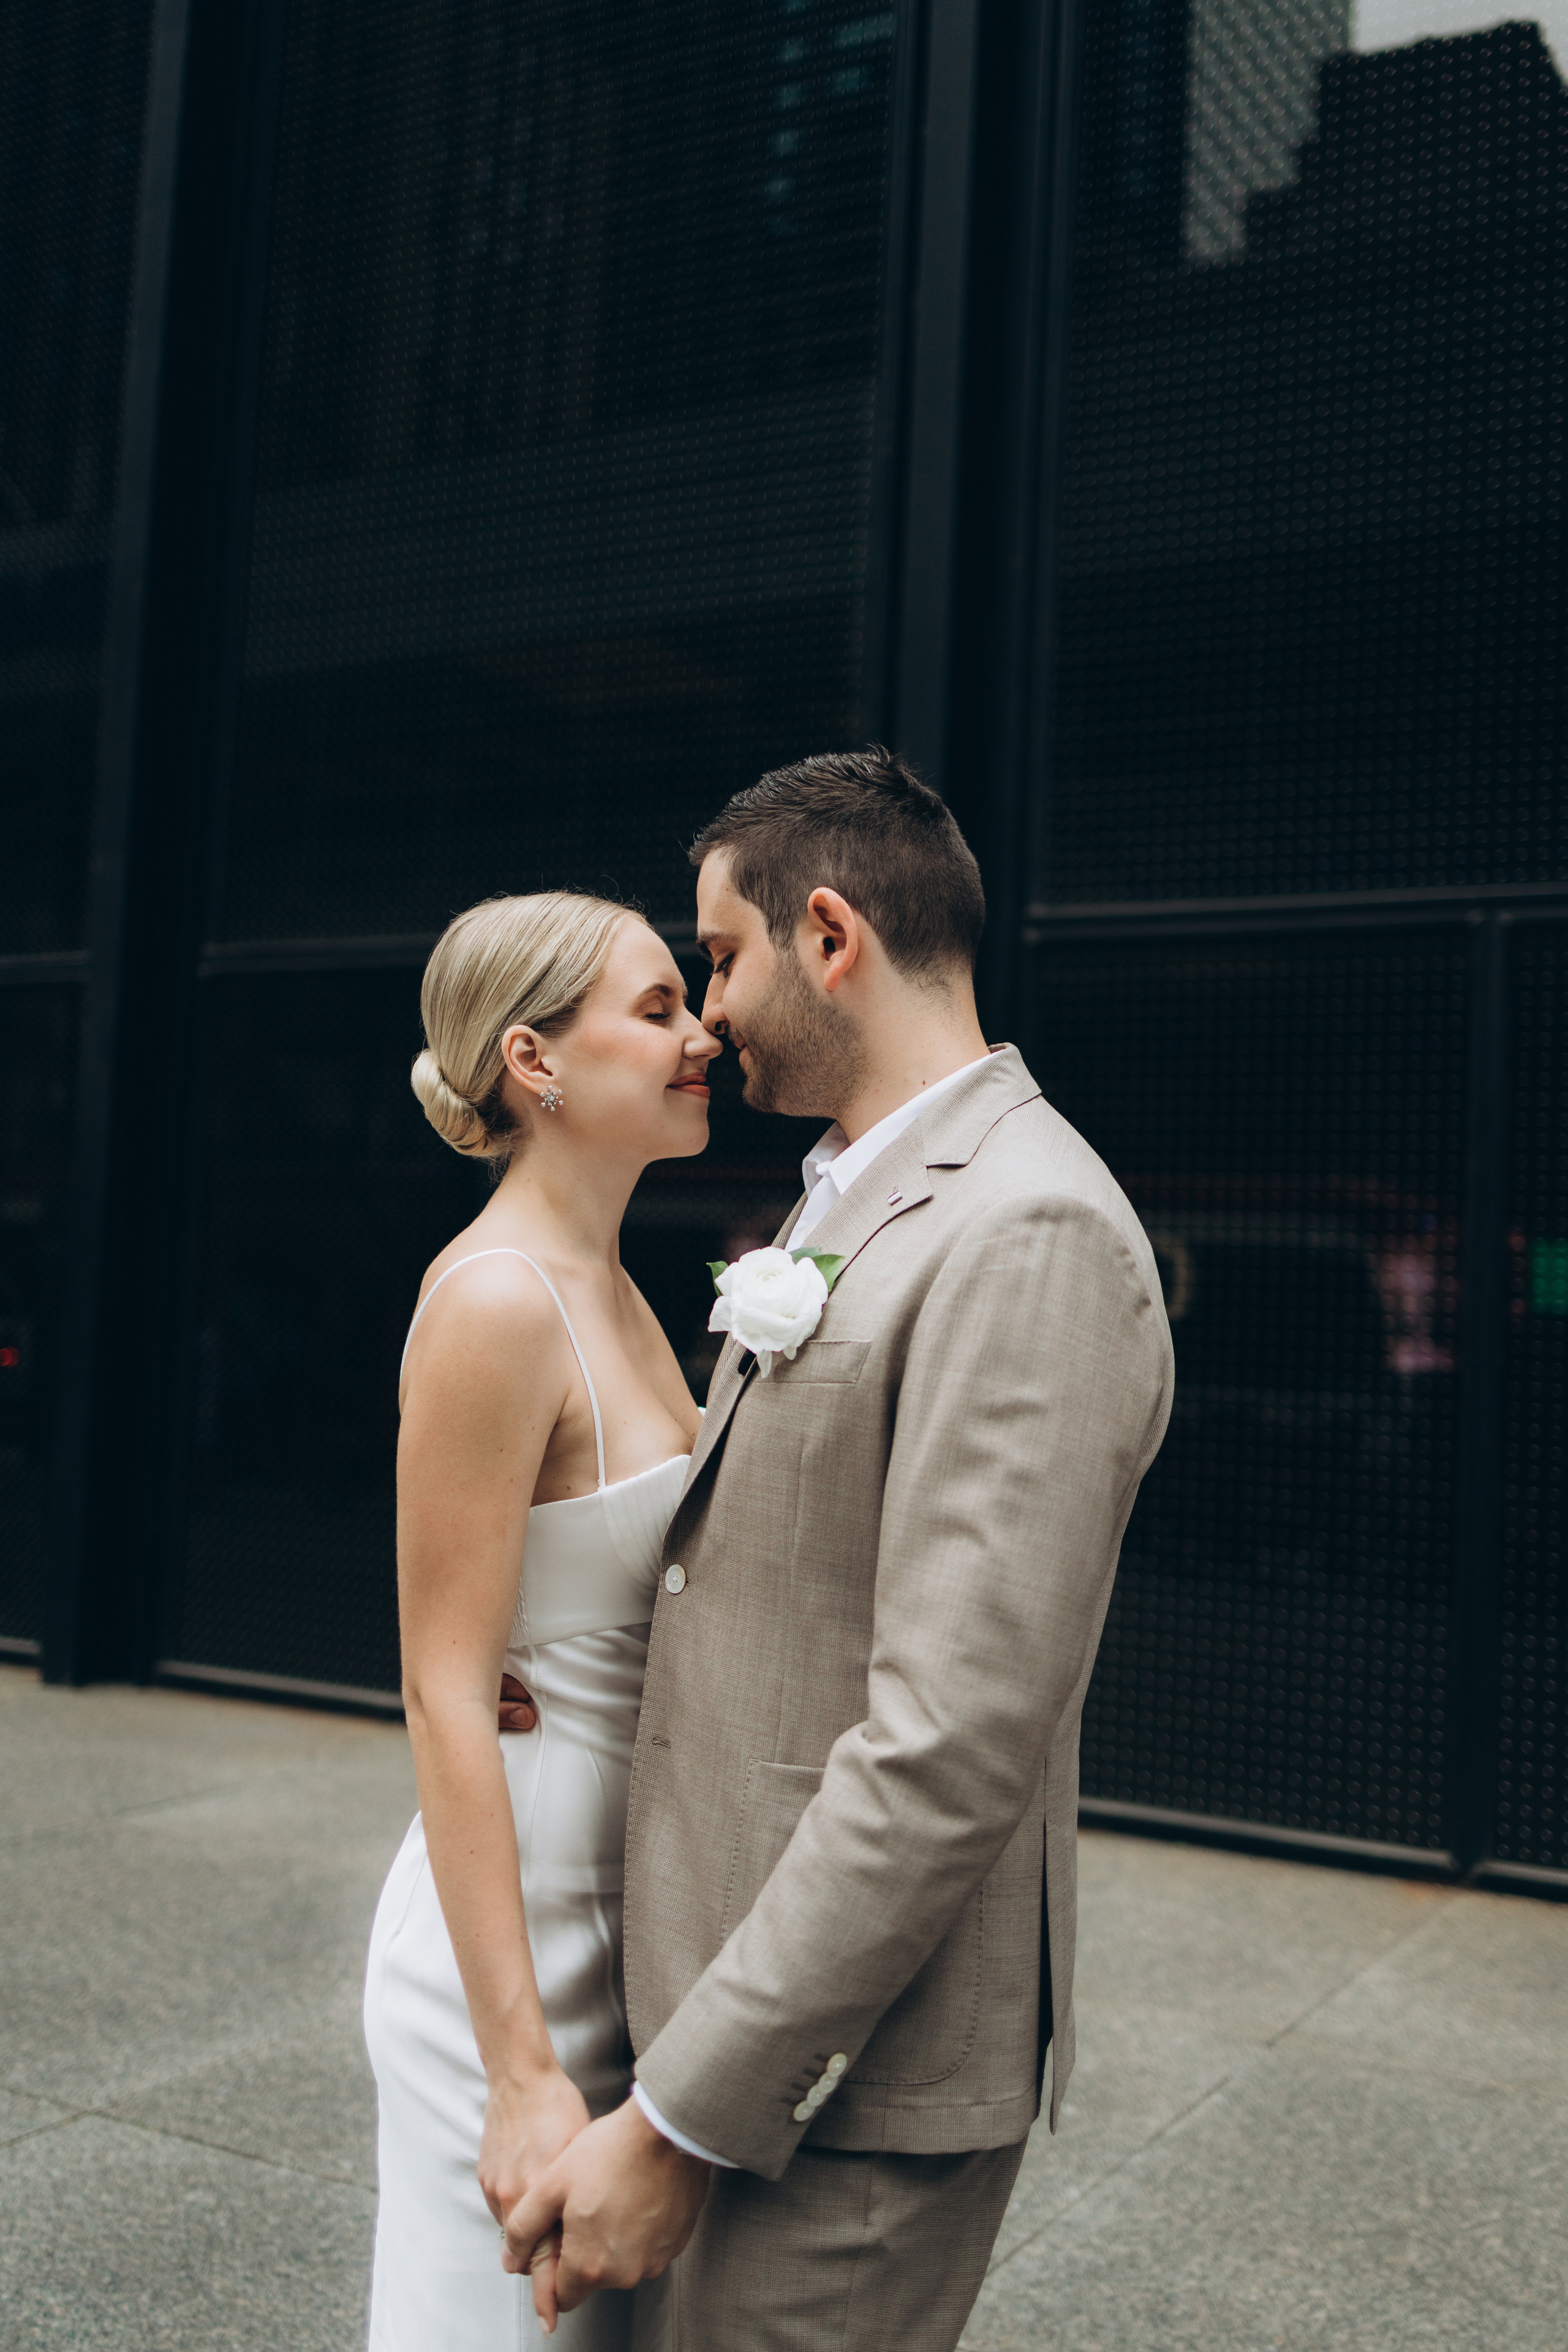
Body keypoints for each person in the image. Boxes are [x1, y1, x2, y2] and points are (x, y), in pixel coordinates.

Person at [501, 749, 1175, 2351]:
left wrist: (685, 2118)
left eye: (719, 958)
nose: (707, 1015)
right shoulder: (849, 1193)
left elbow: (945, 1749)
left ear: (828, 934)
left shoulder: (1033, 1230)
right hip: (713, 2005)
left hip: (837, 2095)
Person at [363, 891, 720, 2350]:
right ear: (534, 1061)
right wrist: (519, 2068)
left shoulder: (618, 1290)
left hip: (626, 1913)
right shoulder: (499, 1302)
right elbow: (447, 1692)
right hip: (504, 1962)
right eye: (656, 1009)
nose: (705, 1033)